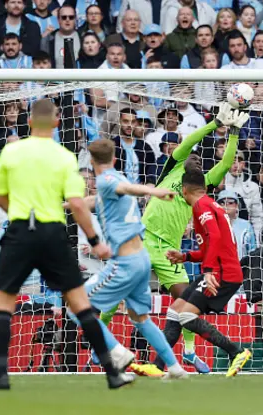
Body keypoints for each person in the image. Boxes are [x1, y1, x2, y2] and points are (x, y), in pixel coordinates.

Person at [0, 99, 134, 390]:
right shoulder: (65, 157)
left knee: (4, 301)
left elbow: (1, 197)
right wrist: (95, 240)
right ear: (56, 124)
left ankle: (2, 376)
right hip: (52, 233)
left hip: (20, 230)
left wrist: (19, 214)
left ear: (28, 122)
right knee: (80, 303)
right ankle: (111, 374)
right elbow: (78, 205)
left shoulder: (12, 152)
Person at [112, 103, 248, 375]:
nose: (195, 157)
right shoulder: (173, 168)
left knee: (182, 305)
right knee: (118, 291)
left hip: (170, 249)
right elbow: (189, 142)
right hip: (144, 238)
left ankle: (191, 352)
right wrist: (214, 124)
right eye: (192, 156)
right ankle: (104, 347)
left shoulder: (201, 193)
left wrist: (233, 134)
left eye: (199, 158)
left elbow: (224, 163)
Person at [83, 139, 188, 380]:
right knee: (140, 318)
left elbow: (130, 190)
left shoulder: (106, 180)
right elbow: (96, 201)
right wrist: (66, 205)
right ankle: (174, 367)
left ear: (91, 161)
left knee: (75, 306)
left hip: (125, 262)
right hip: (142, 260)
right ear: (115, 159)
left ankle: (118, 352)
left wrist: (155, 191)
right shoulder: (117, 178)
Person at [143, 169, 252, 377]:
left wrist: (209, 270)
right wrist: (185, 257)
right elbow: (210, 245)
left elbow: (215, 235)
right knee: (175, 311)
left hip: (222, 273)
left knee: (185, 315)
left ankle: (236, 351)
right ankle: (157, 366)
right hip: (219, 270)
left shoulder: (202, 205)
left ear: (184, 190)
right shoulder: (210, 205)